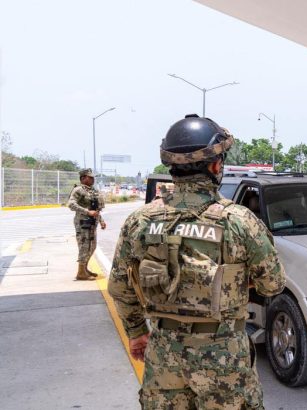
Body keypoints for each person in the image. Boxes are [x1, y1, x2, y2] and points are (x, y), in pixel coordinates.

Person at [108, 114, 286, 409]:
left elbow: (120, 286)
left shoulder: (140, 221)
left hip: (164, 354)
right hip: (224, 356)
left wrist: (137, 332)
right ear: (216, 166)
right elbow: (273, 284)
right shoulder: (238, 221)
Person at [67, 168, 106, 280]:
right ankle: (80, 273)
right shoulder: (78, 190)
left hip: (92, 223)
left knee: (92, 247)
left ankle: (85, 269)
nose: (93, 179)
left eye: (93, 177)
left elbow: (95, 209)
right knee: (84, 247)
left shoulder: (92, 191)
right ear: (83, 178)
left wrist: (101, 220)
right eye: (90, 177)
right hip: (82, 223)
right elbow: (71, 204)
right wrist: (87, 212)